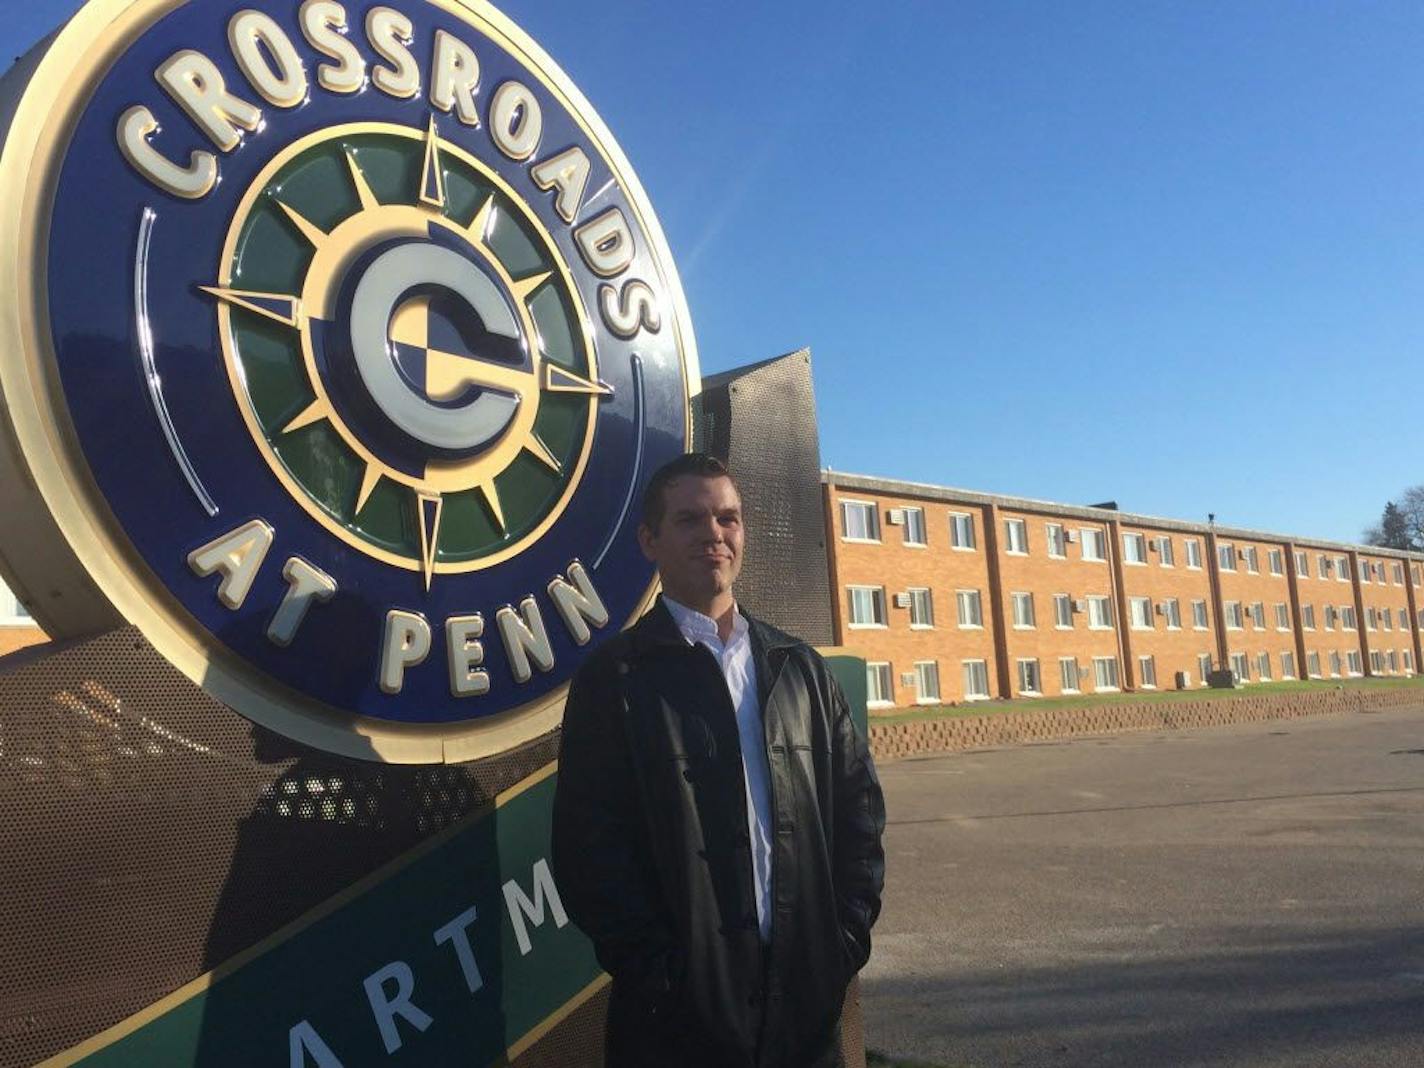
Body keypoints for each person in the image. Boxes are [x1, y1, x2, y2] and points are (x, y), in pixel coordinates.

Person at [551, 453, 886, 1068]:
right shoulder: (615, 681)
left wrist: (841, 946)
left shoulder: (799, 670)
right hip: (675, 1026)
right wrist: (661, 979)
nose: (714, 534)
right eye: (690, 519)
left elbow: (859, 817)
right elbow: (588, 852)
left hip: (805, 1008)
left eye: (728, 518)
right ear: (649, 540)